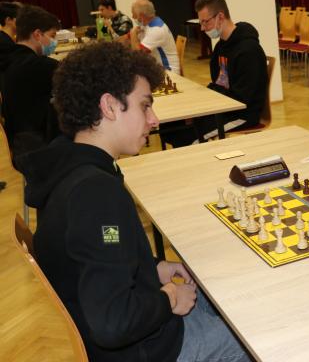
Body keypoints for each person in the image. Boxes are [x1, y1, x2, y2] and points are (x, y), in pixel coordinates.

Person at [19, 41, 250, 361]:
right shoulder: (95, 195)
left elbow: (98, 256)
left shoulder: (69, 169)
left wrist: (154, 267)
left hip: (139, 333)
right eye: (145, 106)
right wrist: (169, 298)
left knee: (228, 296)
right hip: (150, 350)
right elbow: (113, 322)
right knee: (261, 334)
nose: (155, 120)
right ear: (109, 106)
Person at [161, 0, 268, 147]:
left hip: (242, 114)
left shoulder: (249, 51)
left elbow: (242, 99)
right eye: (201, 23)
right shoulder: (220, 47)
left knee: (185, 136)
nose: (202, 28)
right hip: (223, 107)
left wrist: (208, 104)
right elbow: (217, 84)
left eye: (206, 22)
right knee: (170, 127)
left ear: (220, 17)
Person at [1, 4, 61, 162]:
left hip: (20, 145)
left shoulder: (10, 59)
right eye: (52, 36)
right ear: (37, 34)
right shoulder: (41, 67)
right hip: (40, 150)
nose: (54, 41)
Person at [129, 0, 180, 75]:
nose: (132, 17)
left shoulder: (156, 30)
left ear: (141, 16)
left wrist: (133, 34)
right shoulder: (147, 25)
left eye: (134, 14)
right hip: (158, 68)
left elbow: (138, 56)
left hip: (168, 72)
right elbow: (126, 39)